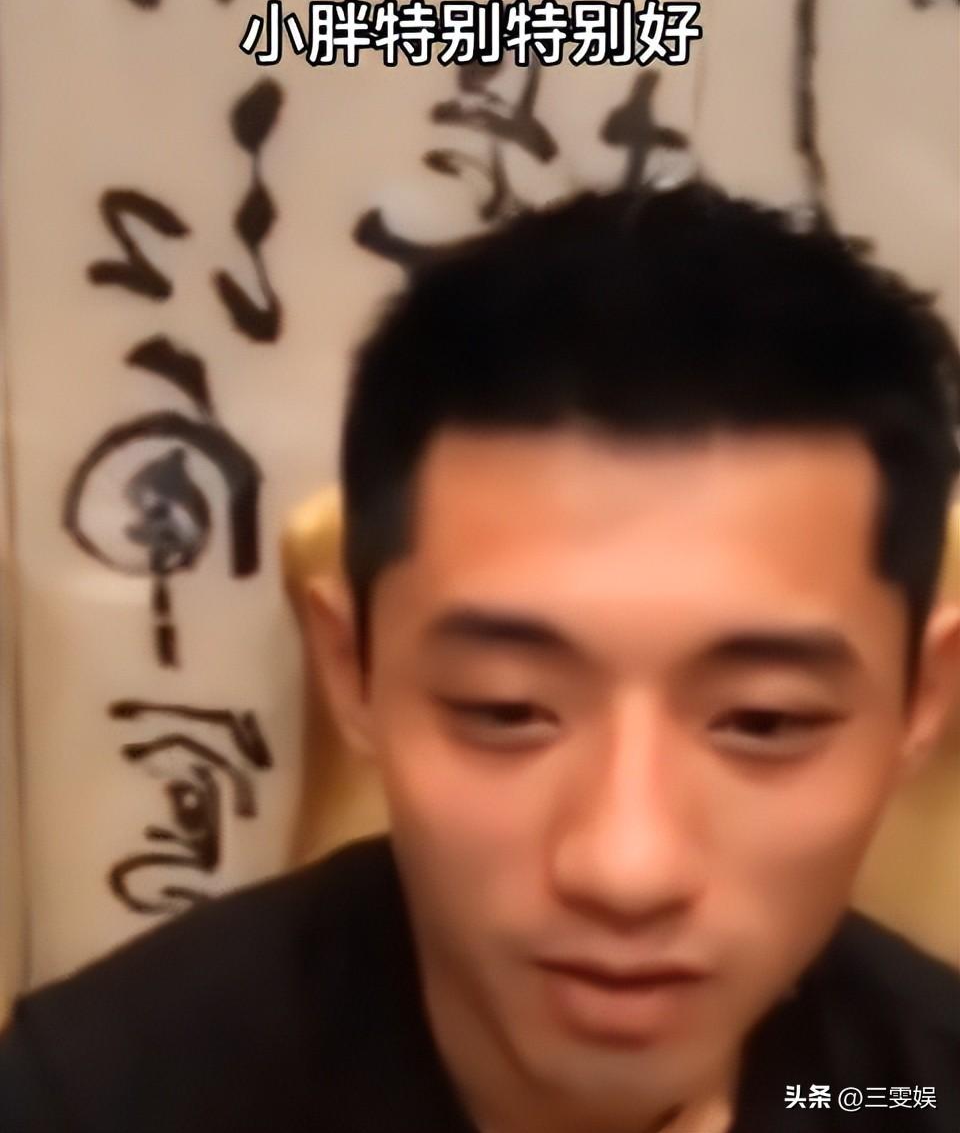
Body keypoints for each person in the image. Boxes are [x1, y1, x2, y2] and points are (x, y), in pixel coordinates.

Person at [1, 181, 959, 1133]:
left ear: (921, 701)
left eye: (765, 720)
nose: (626, 868)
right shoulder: (107, 1100)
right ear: (352, 669)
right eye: (504, 709)